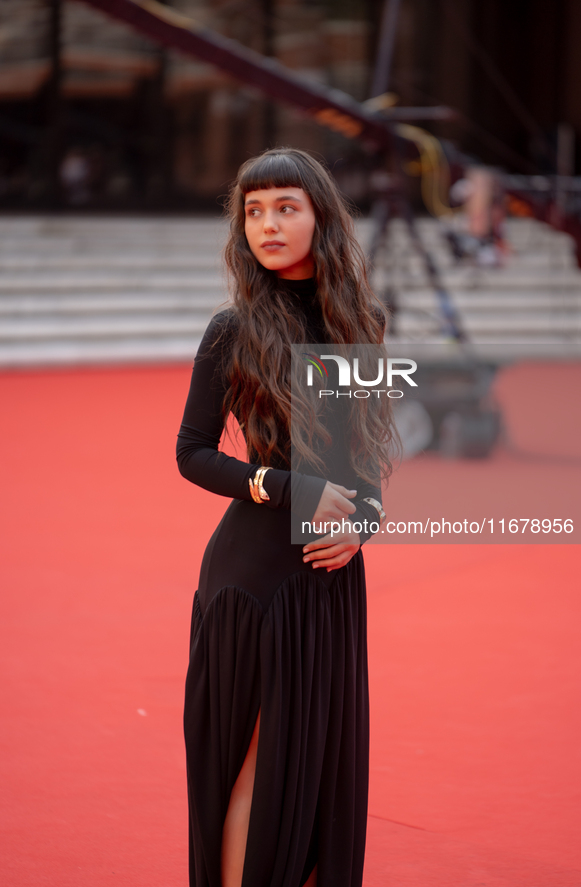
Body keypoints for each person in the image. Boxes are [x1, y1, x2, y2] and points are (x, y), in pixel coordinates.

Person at [176, 147, 395, 887]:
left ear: (319, 217)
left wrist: (362, 517)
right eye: (254, 209)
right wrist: (279, 484)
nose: (267, 223)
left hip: (328, 579)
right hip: (253, 578)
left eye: (285, 207)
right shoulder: (231, 328)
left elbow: (362, 463)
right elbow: (193, 453)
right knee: (260, 768)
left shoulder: (357, 322)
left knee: (316, 770)